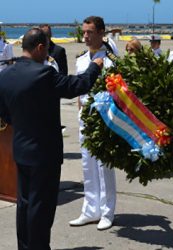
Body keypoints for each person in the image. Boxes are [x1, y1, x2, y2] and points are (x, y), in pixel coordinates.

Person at [0, 28, 103, 250]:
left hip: (21, 149)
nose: (48, 54)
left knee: (24, 204)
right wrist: (95, 67)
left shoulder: (5, 74)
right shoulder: (43, 75)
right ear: (39, 48)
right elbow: (78, 85)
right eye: (47, 49)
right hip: (44, 155)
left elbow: (5, 114)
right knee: (41, 208)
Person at [69, 16, 117, 231]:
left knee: (104, 168)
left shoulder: (110, 60)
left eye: (89, 32)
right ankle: (90, 210)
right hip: (85, 119)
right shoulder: (80, 59)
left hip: (104, 119)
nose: (85, 36)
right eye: (84, 32)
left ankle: (107, 212)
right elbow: (80, 89)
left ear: (101, 33)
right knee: (88, 166)